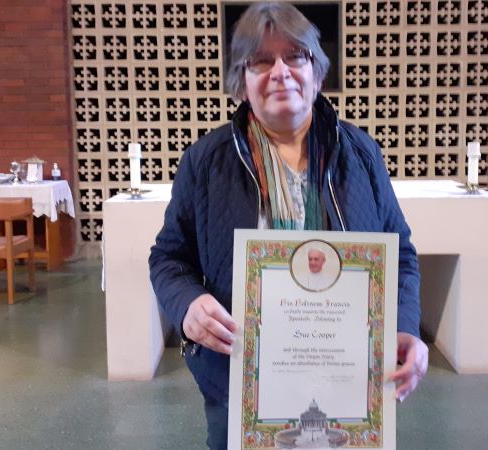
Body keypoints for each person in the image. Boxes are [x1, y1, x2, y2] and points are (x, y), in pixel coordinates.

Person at [149, 3, 428, 449]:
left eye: (295, 55)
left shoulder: (361, 154)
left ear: (317, 73)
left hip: (347, 381)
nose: (280, 71)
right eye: (261, 60)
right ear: (241, 82)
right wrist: (188, 306)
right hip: (239, 382)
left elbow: (401, 257)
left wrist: (407, 327)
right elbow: (169, 258)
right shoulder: (204, 161)